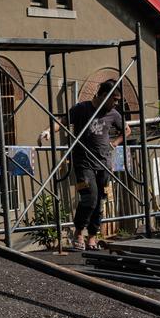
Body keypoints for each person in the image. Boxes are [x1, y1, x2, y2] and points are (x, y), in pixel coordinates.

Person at [37, 80, 131, 251]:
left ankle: (93, 237)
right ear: (103, 96)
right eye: (114, 99)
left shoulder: (113, 114)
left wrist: (115, 142)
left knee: (100, 201)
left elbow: (127, 130)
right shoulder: (82, 108)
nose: (116, 103)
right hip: (83, 163)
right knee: (89, 198)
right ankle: (79, 232)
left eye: (118, 100)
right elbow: (62, 121)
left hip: (104, 164)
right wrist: (48, 131)